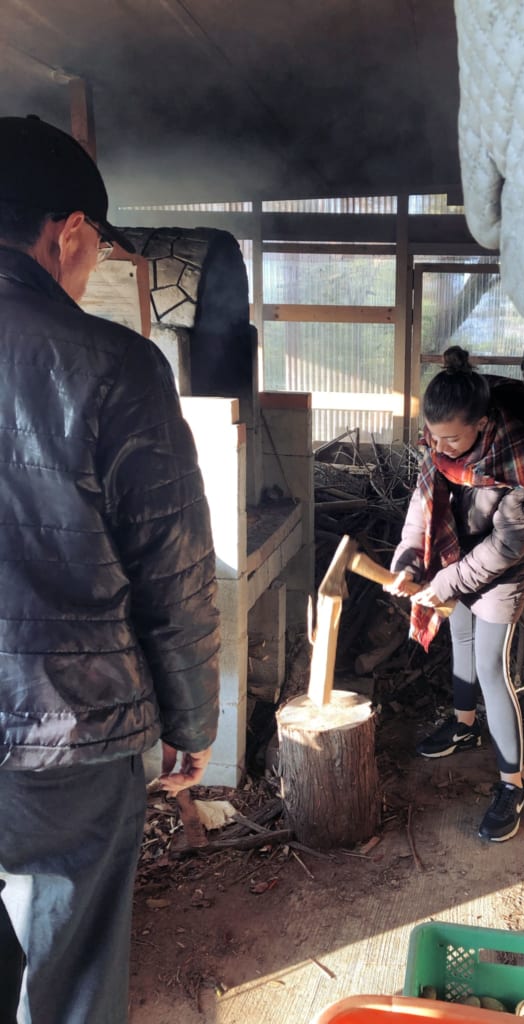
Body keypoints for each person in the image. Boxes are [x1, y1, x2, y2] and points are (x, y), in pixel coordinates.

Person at [0, 115, 221, 1023]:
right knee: (71, 971)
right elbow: (173, 566)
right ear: (72, 233)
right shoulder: (115, 366)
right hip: (69, 735)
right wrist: (190, 719)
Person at [387, 345, 524, 842]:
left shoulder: (522, 465)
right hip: (461, 541)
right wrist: (408, 562)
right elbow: (422, 509)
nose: (439, 447)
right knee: (459, 635)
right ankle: (464, 725)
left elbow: (503, 549)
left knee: (491, 665)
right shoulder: (441, 439)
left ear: (483, 426)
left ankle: (512, 784)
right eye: (433, 438)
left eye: (451, 439)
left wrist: (442, 583)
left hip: (508, 556)